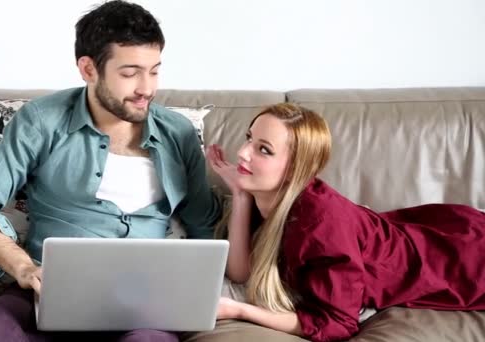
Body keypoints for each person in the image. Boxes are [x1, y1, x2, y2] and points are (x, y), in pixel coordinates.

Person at [0, 1, 221, 341]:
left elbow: (205, 224)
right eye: (130, 73)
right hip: (48, 293)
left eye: (154, 70)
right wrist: (22, 266)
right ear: (88, 69)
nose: (147, 88)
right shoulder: (42, 120)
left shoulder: (177, 133)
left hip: (143, 306)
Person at [206, 103, 485, 342]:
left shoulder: (318, 224)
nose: (242, 153)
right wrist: (241, 196)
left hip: (462, 256)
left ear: (296, 169)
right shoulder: (265, 193)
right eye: (248, 138)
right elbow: (241, 272)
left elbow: (338, 324)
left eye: (263, 150)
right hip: (424, 227)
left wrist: (238, 310)